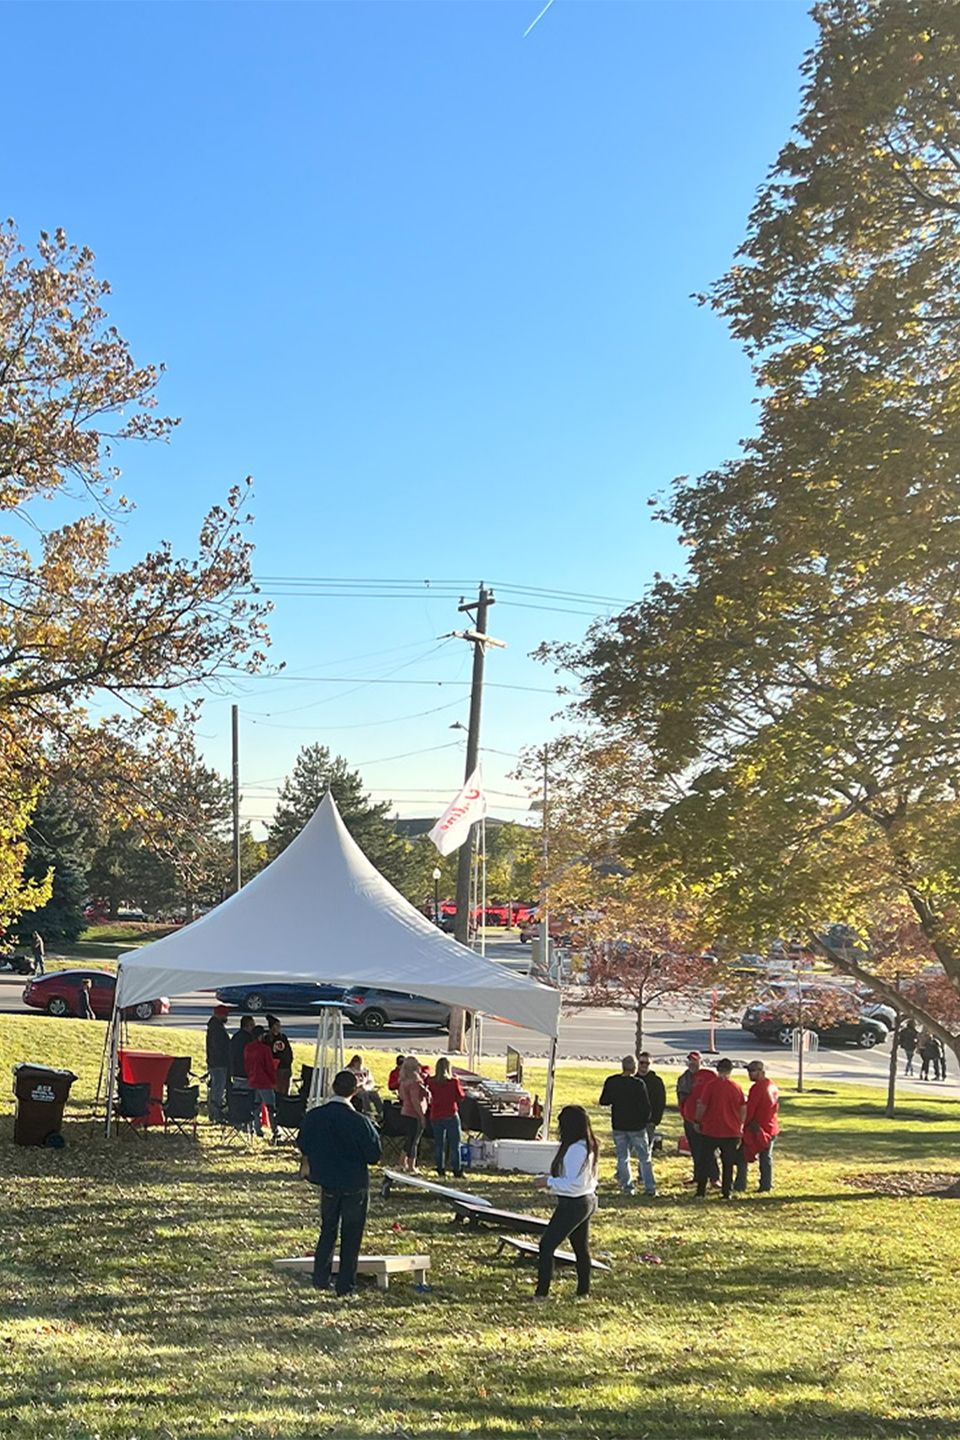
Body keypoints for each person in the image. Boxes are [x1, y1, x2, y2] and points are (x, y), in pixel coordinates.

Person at [297, 1068, 382, 1298]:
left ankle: (320, 1278)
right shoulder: (360, 1122)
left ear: (332, 1087)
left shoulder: (315, 1116)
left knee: (328, 1229)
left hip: (327, 1180)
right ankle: (345, 1284)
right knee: (352, 1234)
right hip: (354, 1181)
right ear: (354, 1092)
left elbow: (303, 1142)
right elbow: (374, 1155)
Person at [532, 1105, 599, 1301]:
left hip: (574, 1204)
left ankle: (542, 1293)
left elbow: (574, 1184)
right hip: (586, 1200)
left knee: (546, 1245)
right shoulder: (588, 1145)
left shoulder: (576, 1150)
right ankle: (583, 1291)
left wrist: (548, 1182)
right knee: (580, 1248)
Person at [598, 1055, 653, 1196]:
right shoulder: (638, 1084)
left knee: (622, 1158)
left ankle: (627, 1187)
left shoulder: (612, 1081)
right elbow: (646, 1107)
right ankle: (649, 1187)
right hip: (637, 1126)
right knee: (644, 1158)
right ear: (634, 1068)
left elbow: (604, 1100)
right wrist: (645, 1120)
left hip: (619, 1125)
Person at [694, 1057, 746, 1199]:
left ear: (717, 1070)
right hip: (731, 1131)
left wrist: (697, 1120)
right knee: (728, 1163)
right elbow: (743, 1108)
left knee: (705, 1161)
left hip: (711, 1129)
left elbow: (702, 1106)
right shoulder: (736, 1087)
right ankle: (726, 1191)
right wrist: (740, 1123)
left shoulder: (710, 1086)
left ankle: (701, 1191)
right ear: (730, 1071)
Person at [734, 1060, 780, 1193]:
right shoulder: (772, 1085)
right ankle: (766, 1184)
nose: (749, 1074)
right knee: (766, 1157)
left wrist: (743, 1125)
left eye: (752, 1071)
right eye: (748, 1071)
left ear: (761, 1072)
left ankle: (740, 1184)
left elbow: (750, 1110)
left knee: (742, 1156)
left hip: (757, 1129)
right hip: (771, 1127)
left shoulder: (757, 1088)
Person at [676, 1052, 718, 1187]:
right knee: (695, 1150)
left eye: (694, 1060)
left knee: (709, 1150)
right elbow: (681, 1098)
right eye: (690, 1061)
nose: (692, 1063)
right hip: (690, 1119)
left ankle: (714, 1178)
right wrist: (684, 1114)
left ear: (700, 1061)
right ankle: (698, 1177)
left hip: (707, 1120)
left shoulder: (709, 1076)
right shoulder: (684, 1078)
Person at [427, 1057, 465, 1178]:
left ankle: (440, 1167)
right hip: (450, 1114)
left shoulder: (431, 1081)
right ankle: (456, 1168)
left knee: (439, 1144)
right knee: (454, 1144)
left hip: (436, 1114)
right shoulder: (453, 1082)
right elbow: (460, 1096)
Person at [397, 1055, 429, 1173]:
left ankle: (402, 1161)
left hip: (405, 1111)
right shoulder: (415, 1083)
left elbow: (402, 1096)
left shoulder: (403, 1082)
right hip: (414, 1113)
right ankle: (411, 1165)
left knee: (409, 1139)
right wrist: (422, 1116)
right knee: (414, 1141)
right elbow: (415, 1100)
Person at [244, 1026, 278, 1136]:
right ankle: (274, 1130)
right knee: (271, 1107)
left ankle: (257, 1128)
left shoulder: (248, 1048)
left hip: (252, 1080)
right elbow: (269, 1067)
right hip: (264, 1082)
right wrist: (273, 1081)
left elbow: (247, 1065)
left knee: (255, 1107)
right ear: (260, 1036)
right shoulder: (265, 1049)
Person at [637, 1051, 666, 1165]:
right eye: (642, 1062)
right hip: (633, 1122)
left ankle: (643, 1173)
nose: (644, 1065)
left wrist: (656, 1120)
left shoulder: (656, 1081)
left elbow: (661, 1102)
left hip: (649, 1121)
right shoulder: (632, 1080)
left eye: (647, 1063)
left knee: (646, 1150)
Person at [205, 1005, 231, 1121]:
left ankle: (214, 1112)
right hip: (219, 1064)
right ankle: (216, 1114)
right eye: (225, 1015)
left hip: (215, 1063)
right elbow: (219, 1047)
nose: (226, 1017)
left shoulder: (214, 1027)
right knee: (218, 1089)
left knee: (216, 1088)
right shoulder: (217, 1029)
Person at [347, 1054, 384, 1120]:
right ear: (354, 1063)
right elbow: (348, 1082)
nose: (359, 1065)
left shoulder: (365, 1070)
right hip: (355, 1090)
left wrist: (366, 1087)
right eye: (358, 1063)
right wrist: (357, 1088)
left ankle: (381, 1112)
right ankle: (368, 1112)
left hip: (365, 1088)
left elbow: (371, 1081)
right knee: (364, 1094)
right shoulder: (349, 1071)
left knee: (374, 1094)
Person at [266, 1015, 294, 1097]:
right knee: (277, 1091)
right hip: (276, 1069)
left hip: (285, 1067)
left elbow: (288, 1051)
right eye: (276, 1025)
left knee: (284, 1090)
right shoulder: (268, 1039)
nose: (279, 1027)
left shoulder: (283, 1037)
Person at [229, 1014, 256, 1092]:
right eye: (252, 1025)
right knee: (248, 1094)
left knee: (238, 1094)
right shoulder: (249, 1039)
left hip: (236, 1071)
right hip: (246, 1072)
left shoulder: (235, 1037)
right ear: (247, 1026)